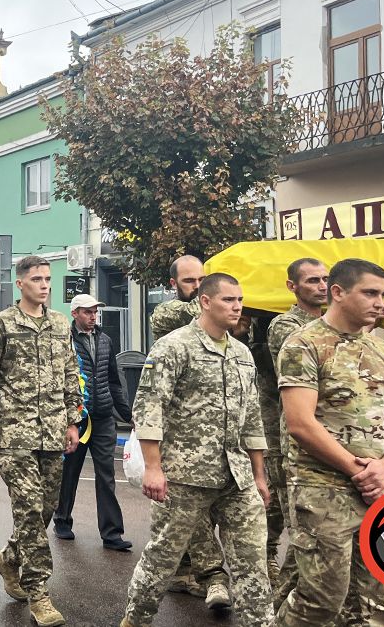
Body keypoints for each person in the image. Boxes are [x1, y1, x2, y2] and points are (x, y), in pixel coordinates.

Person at [121, 274, 273, 627]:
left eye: (239, 300)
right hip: (185, 476)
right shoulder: (174, 346)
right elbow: (148, 407)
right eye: (228, 300)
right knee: (163, 557)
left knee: (252, 560)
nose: (237, 307)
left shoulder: (242, 354)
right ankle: (135, 619)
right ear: (205, 302)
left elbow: (252, 419)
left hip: (236, 478)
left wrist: (259, 476)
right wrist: (154, 468)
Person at [274, 258, 384, 626]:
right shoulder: (303, 344)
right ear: (337, 292)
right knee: (322, 598)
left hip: (380, 488)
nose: (380, 302)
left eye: (382, 294)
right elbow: (300, 423)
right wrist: (359, 471)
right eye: (369, 292)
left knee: (379, 603)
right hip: (324, 487)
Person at [0, 256, 81, 627]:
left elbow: (70, 371)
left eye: (48, 279)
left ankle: (8, 558)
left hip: (52, 433)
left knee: (46, 509)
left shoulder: (60, 323)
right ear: (21, 284)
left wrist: (72, 420)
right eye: (37, 279)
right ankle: (39, 594)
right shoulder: (2, 324)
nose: (45, 285)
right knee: (30, 512)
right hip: (16, 435)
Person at [149, 254, 230, 603]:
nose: (197, 288)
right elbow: (201, 311)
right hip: (178, 430)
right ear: (174, 285)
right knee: (186, 504)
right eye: (189, 282)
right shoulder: (166, 314)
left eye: (202, 280)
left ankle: (180, 570)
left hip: (215, 429)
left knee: (192, 508)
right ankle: (207, 573)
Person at [264, 258, 328, 588]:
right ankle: (282, 589)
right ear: (293, 287)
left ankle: (278, 580)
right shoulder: (286, 327)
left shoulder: (337, 327)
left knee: (306, 522)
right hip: (293, 440)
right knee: (298, 522)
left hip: (330, 438)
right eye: (313, 280)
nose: (322, 286)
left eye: (326, 279)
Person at [53, 294, 133, 550]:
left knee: (106, 475)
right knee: (70, 472)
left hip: (103, 418)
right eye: (87, 312)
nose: (93, 316)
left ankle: (112, 534)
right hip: (77, 419)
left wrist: (128, 415)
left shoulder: (105, 340)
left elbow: (113, 381)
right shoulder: (63, 340)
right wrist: (67, 417)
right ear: (75, 313)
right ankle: (62, 520)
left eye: (95, 312)